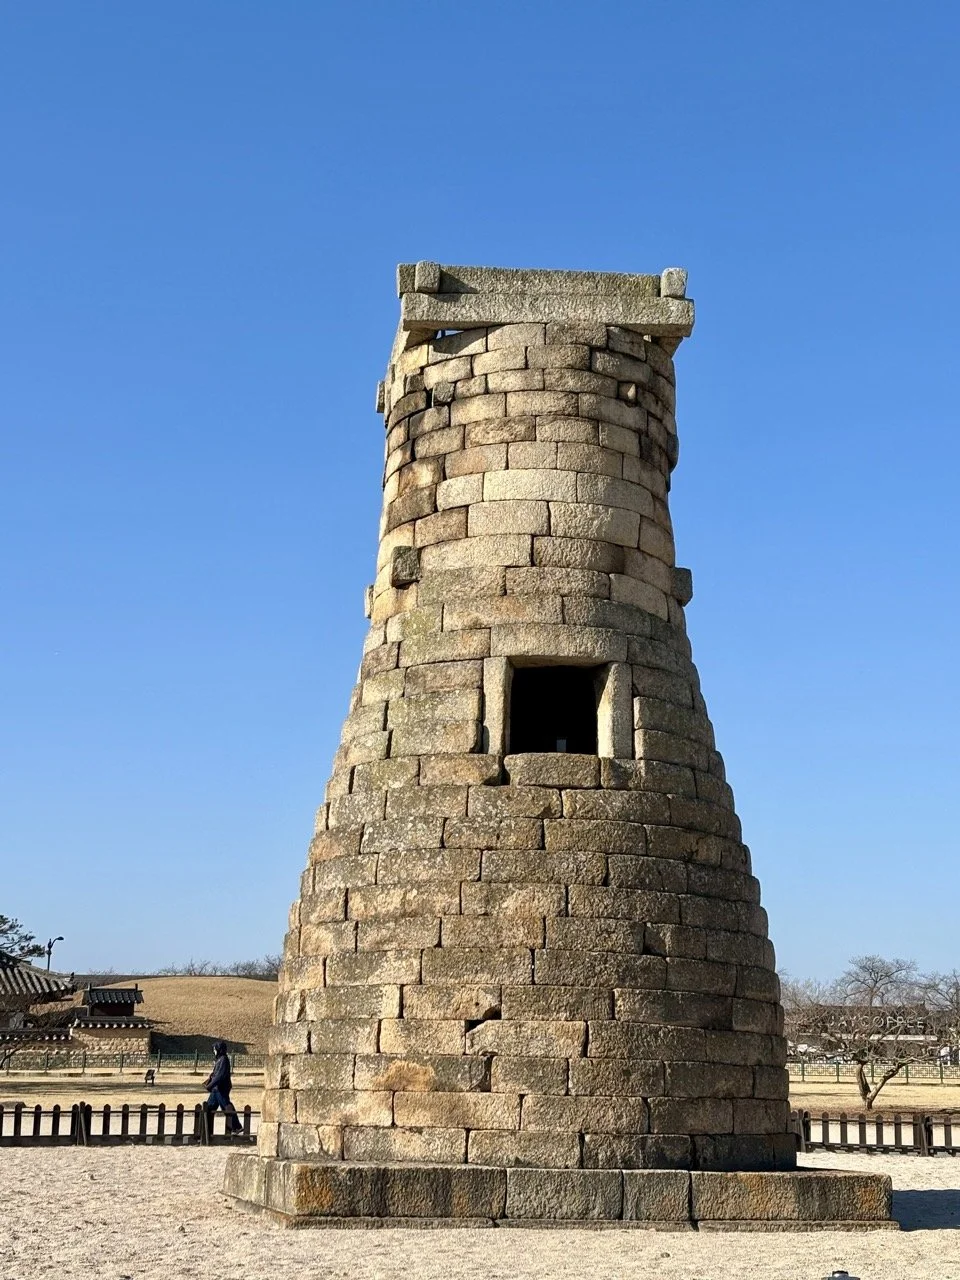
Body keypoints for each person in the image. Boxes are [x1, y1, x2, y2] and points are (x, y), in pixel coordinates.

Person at [203, 1040, 244, 1135]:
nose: (214, 1051)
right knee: (209, 1108)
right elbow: (215, 1074)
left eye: (215, 1049)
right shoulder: (219, 1059)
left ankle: (237, 1127)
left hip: (221, 1088)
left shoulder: (224, 1060)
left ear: (219, 1049)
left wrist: (210, 1085)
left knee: (226, 1106)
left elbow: (220, 1076)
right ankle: (205, 1129)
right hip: (216, 1089)